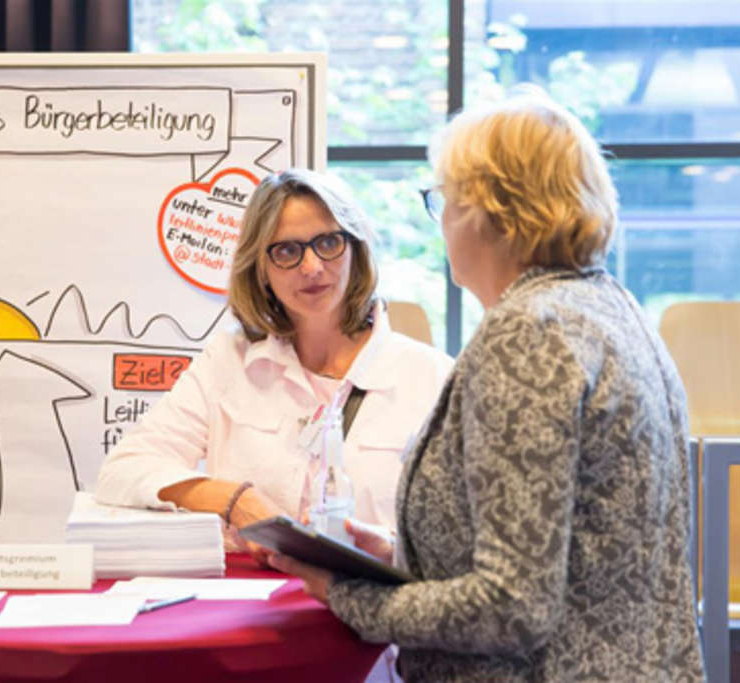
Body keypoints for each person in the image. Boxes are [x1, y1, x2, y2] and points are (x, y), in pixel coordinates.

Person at [271, 88, 706, 682]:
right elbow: (575, 555)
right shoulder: (609, 308)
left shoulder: (529, 335)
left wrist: (353, 598)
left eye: (443, 199)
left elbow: (512, 607)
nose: (442, 220)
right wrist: (403, 560)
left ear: (488, 210)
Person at [96, 168, 453, 556]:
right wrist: (234, 500)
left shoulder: (432, 376)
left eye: (329, 242)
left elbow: (463, 536)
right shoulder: (228, 361)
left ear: (355, 249)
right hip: (251, 600)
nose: (312, 267)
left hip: (375, 600)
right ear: (261, 270)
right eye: (287, 251)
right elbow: (124, 469)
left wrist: (393, 550)